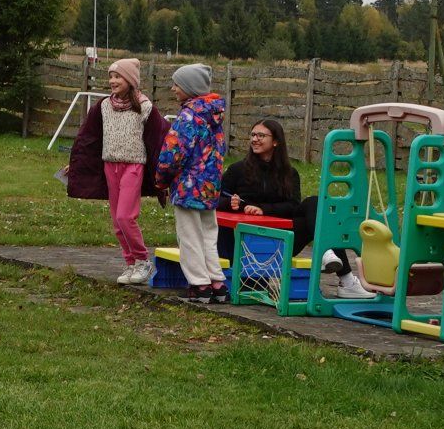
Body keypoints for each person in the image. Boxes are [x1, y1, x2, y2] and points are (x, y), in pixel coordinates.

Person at [220, 118, 372, 300]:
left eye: (261, 135)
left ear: (276, 141)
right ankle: (333, 260)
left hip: (281, 239)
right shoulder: (237, 170)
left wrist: (263, 209)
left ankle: (342, 275)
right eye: (253, 135)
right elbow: (215, 198)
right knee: (315, 213)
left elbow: (292, 205)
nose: (255, 139)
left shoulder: (289, 173)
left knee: (315, 203)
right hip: (248, 240)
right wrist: (230, 204)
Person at [64, 57, 169, 284]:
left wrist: (166, 172)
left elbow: (160, 138)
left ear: (130, 80)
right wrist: (77, 164)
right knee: (116, 220)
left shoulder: (144, 106)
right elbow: (89, 139)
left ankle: (143, 261)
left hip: (133, 166)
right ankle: (130, 263)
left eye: (118, 76)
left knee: (125, 216)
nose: (112, 80)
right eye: (110, 76)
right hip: (109, 166)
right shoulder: (102, 106)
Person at [155, 63, 226, 302]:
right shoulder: (213, 115)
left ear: (190, 87)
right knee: (208, 234)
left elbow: (173, 153)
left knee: (189, 237)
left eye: (178, 84)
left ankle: (199, 284)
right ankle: (217, 282)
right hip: (210, 187)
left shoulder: (189, 116)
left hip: (187, 187)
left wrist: (161, 179)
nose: (173, 88)